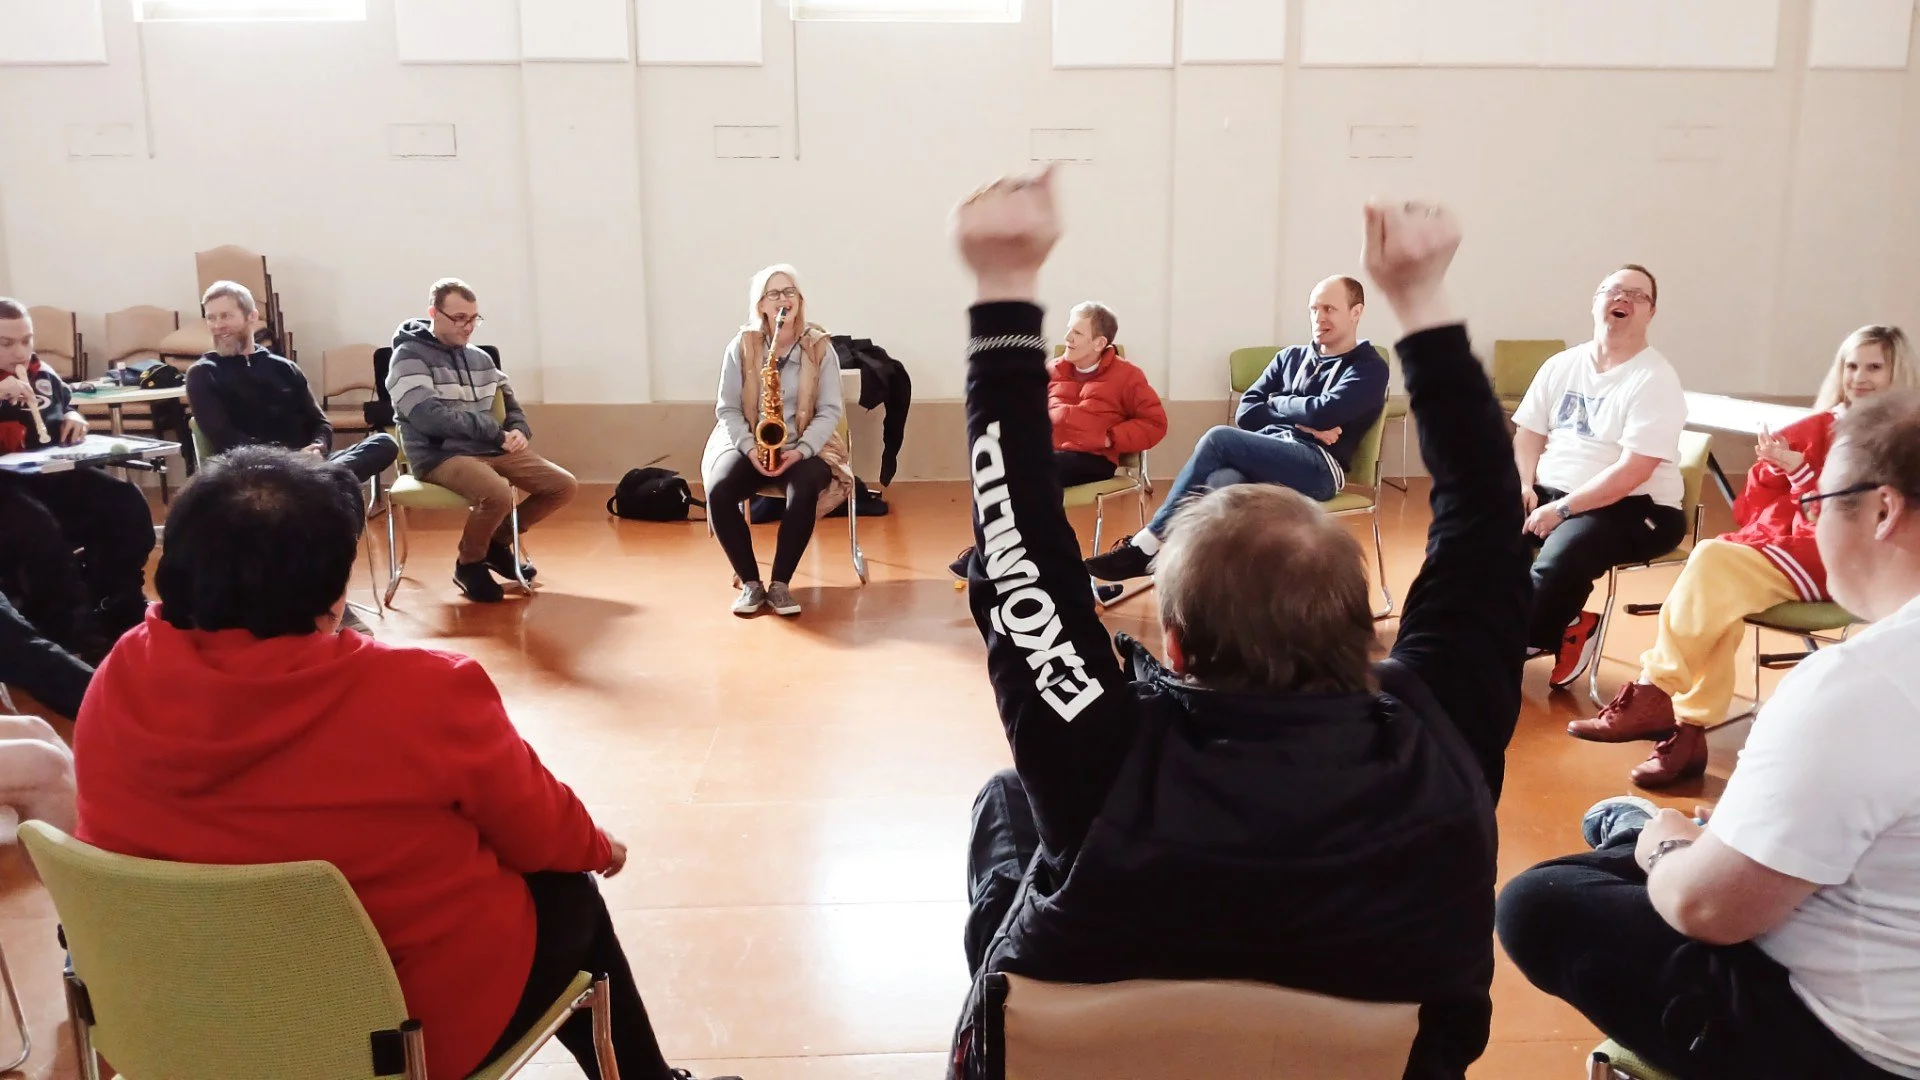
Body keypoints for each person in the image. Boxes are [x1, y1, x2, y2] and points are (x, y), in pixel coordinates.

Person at [948, 172, 1529, 1080]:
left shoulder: (1099, 754)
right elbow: (1491, 528)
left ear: (1174, 646)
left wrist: (1003, 288)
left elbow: (1016, 552)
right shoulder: (1440, 733)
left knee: (1007, 806)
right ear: (1360, 631)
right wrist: (1423, 293)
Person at [71, 447, 739, 1080]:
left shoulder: (120, 672)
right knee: (567, 890)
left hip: (173, 1019)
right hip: (375, 1039)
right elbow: (540, 829)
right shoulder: (420, 691)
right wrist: (596, 846)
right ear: (333, 594)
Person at [1498, 389, 1920, 1080]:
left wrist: (1667, 850)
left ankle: (1650, 834)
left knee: (1540, 901)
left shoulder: (1861, 686)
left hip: (1863, 1051)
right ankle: (1664, 832)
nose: (1813, 521)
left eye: (1819, 506)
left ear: (1881, 510)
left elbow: (1708, 912)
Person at [1576, 326, 1915, 787]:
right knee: (1719, 595)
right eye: (1851, 365)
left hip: (1847, 558)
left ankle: (1656, 691)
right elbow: (1749, 508)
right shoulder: (1819, 425)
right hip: (1790, 548)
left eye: (1874, 366)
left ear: (1897, 371)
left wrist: (1799, 473)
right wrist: (1774, 469)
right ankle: (1689, 735)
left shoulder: (1897, 440)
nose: (1859, 377)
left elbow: (1848, 520)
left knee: (1712, 561)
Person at [1085, 276, 1388, 582]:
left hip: (1319, 467)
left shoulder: (1369, 367)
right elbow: (1247, 413)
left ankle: (1147, 546)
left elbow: (1325, 412)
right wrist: (1302, 422)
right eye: (1313, 309)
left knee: (1219, 437)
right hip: (1266, 454)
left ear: (1356, 312)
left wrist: (1280, 401)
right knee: (1221, 482)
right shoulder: (1289, 358)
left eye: (1329, 309)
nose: (1319, 317)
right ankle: (1212, 590)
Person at [1513, 266, 1688, 689]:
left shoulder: (1654, 379)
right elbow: (1528, 433)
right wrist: (1522, 485)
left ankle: (1516, 645)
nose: (1622, 299)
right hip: (1553, 493)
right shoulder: (1562, 365)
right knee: (1470, 538)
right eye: (1613, 291)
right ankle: (1571, 620)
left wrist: (1562, 509)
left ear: (1651, 313)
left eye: (1636, 295)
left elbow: (1633, 471)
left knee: (1560, 559)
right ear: (1595, 302)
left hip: (1637, 508)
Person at [385, 278, 578, 604]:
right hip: (437, 454)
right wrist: (493, 432)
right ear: (434, 313)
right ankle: (468, 564)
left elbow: (510, 404)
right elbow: (428, 416)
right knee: (497, 493)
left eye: (473, 318)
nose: (468, 326)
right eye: (459, 318)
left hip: (489, 447)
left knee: (563, 485)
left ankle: (495, 543)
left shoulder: (480, 359)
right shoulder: (408, 356)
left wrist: (519, 430)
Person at [0, 299, 154, 646]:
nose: (20, 352)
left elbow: (65, 405)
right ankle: (71, 629)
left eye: (27, 340)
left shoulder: (43, 374)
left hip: (45, 474)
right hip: (5, 489)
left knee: (124, 501)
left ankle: (116, 600)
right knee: (36, 526)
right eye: (6, 343)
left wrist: (74, 417)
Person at [701, 265, 852, 618]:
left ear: (799, 301)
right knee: (718, 491)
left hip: (805, 447)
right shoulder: (741, 346)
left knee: (803, 491)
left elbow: (830, 410)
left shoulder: (820, 348)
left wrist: (800, 450)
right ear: (761, 306)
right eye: (774, 294)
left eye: (790, 292)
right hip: (752, 442)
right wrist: (750, 449)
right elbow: (727, 408)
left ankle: (781, 584)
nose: (783, 300)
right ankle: (751, 584)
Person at [186, 280, 398, 482]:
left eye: (226, 316)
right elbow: (227, 440)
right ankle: (321, 482)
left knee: (385, 443)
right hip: (254, 473)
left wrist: (317, 447)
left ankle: (315, 481)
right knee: (322, 477)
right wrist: (294, 459)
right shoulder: (203, 374)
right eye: (211, 318)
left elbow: (320, 423)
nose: (217, 325)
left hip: (309, 464)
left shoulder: (284, 368)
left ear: (251, 316)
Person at [1048, 302, 1166, 486]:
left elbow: (1155, 423)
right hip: (1047, 452)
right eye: (1069, 329)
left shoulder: (1128, 376)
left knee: (1034, 470)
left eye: (1077, 333)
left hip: (1093, 459)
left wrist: (1111, 438)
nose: (1067, 337)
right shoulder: (1050, 371)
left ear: (1099, 343)